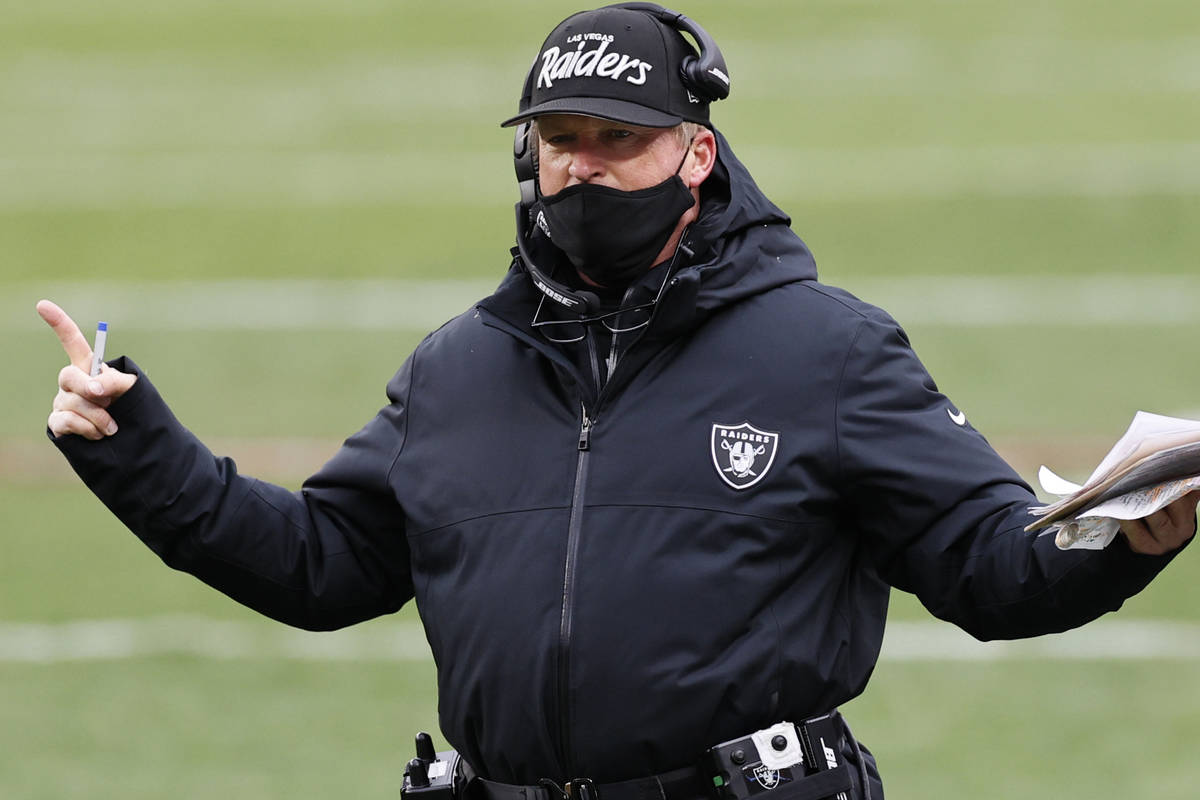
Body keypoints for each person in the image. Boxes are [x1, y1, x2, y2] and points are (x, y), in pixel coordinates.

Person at [38, 4, 1198, 799]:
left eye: (620, 142)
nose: (585, 167)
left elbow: (987, 565)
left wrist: (1119, 540)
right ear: (527, 154)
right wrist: (138, 443)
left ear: (696, 154)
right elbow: (321, 565)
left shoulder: (825, 350)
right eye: (561, 140)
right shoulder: (456, 370)